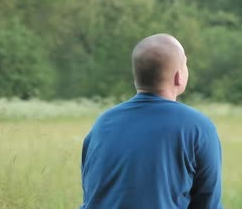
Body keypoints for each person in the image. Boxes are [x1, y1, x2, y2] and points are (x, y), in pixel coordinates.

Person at [80, 33, 223, 209]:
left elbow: (92, 195)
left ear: (136, 78)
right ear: (179, 76)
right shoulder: (198, 128)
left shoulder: (102, 124)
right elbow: (208, 204)